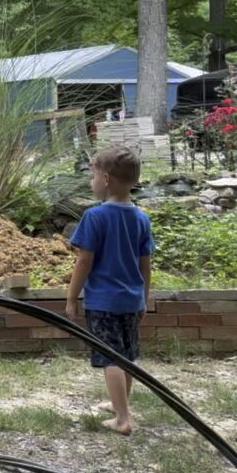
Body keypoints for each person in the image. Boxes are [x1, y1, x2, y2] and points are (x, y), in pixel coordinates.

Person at [65, 145, 154, 436]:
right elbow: (145, 263)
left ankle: (123, 418)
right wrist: (144, 298)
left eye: (92, 177)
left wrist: (71, 297)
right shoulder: (141, 217)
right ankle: (120, 403)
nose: (91, 183)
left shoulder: (95, 217)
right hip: (131, 299)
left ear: (105, 179)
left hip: (103, 301)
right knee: (126, 355)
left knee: (110, 357)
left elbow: (84, 260)